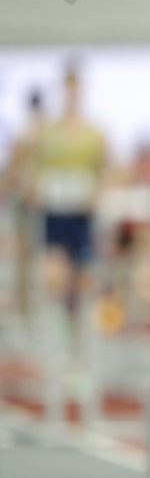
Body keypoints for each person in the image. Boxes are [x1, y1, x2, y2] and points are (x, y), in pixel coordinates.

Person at [35, 65, 107, 343]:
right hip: (55, 213)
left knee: (82, 282)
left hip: (82, 214)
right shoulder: (46, 133)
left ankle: (79, 337)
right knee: (55, 277)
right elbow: (32, 169)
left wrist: (97, 192)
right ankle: (57, 337)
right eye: (68, 89)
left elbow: (105, 170)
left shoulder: (94, 134)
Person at [1, 89, 47, 321]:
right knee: (24, 258)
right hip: (27, 204)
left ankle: (28, 304)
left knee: (32, 259)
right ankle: (25, 305)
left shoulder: (42, 133)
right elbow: (13, 171)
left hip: (42, 204)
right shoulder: (28, 134)